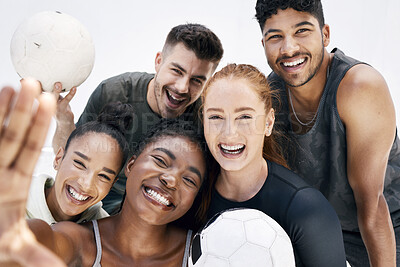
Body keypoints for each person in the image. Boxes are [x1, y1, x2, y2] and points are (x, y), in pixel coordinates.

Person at [0, 80, 209, 267]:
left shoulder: (206, 252)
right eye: (161, 160)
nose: (171, 179)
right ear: (130, 165)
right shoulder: (76, 239)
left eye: (190, 180)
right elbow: (36, 240)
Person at [255, 1, 400, 266]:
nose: (288, 49)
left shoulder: (359, 88)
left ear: (325, 34)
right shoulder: (269, 96)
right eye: (275, 37)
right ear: (263, 44)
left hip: (386, 233)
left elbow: (372, 209)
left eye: (302, 31)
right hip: (317, 233)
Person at [52, 23, 223, 214]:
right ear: (158, 61)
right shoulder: (112, 92)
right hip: (98, 204)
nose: (182, 87)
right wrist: (63, 121)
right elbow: (70, 159)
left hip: (158, 210)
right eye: (177, 71)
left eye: (197, 80)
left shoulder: (205, 118)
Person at [200, 63, 347, 266]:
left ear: (268, 123)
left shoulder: (306, 210)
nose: (229, 133)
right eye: (216, 117)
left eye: (244, 117)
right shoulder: (192, 195)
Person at [26, 101, 131, 224]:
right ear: (58, 159)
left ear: (112, 185)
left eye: (103, 176)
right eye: (80, 164)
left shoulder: (105, 232)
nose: (86, 185)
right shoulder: (10, 195)